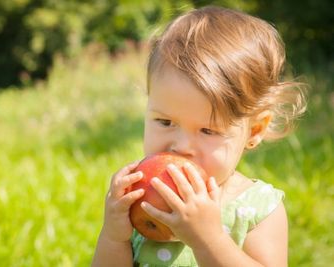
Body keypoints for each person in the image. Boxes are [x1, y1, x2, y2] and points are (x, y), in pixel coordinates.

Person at [92, 5, 306, 267]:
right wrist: (114, 236)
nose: (181, 147)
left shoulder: (256, 209)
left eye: (208, 130)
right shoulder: (139, 198)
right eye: (165, 121)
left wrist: (210, 239)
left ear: (255, 130)